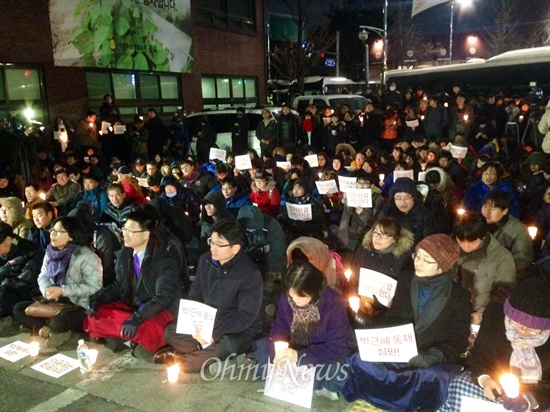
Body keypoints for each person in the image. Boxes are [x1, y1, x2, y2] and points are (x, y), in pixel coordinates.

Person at [342, 234, 472, 411]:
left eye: (426, 260)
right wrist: (379, 337)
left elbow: (459, 341)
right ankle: (377, 400)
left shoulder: (459, 297)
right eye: (417, 256)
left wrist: (433, 355)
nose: (418, 262)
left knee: (431, 377)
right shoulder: (407, 279)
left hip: (430, 356)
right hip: (400, 349)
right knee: (360, 359)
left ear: (442, 266)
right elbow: (393, 316)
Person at [155, 219, 263, 373]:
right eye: (211, 242)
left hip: (235, 329)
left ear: (235, 248)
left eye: (219, 244)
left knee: (228, 345)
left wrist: (214, 334)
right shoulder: (205, 260)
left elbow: (244, 317)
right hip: (206, 322)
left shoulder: (250, 274)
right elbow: (196, 292)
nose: (213, 248)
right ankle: (203, 354)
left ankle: (185, 360)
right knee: (169, 332)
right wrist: (192, 321)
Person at [438, 275, 550, 411]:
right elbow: (479, 354)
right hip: (495, 385)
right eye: (516, 324)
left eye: (533, 331)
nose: (522, 331)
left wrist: (529, 400)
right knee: (458, 385)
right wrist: (484, 379)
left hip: (536, 398)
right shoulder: (495, 316)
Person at [246, 261, 355, 400]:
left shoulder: (333, 301)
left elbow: (336, 346)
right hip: (296, 345)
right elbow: (280, 326)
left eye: (301, 296)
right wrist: (278, 351)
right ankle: (316, 385)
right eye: (292, 295)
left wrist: (299, 356)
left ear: (315, 291)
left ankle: (317, 384)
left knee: (340, 370)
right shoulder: (286, 298)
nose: (295, 300)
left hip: (325, 352)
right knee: (264, 350)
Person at [84, 207, 180, 358]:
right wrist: (98, 298)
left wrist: (137, 318)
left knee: (148, 326)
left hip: (157, 309)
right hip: (133, 306)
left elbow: (164, 297)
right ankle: (132, 341)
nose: (124, 234)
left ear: (146, 234)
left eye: (130, 231)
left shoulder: (164, 260)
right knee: (98, 312)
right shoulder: (124, 255)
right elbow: (118, 286)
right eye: (124, 229)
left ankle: (130, 341)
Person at [13, 216, 103, 347]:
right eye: (52, 230)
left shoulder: (87, 256)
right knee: (18, 308)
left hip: (79, 304)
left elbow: (94, 287)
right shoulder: (51, 252)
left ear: (71, 236)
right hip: (56, 301)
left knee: (60, 320)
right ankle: (45, 330)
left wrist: (63, 290)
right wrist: (46, 290)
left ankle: (42, 326)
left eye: (59, 231)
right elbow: (42, 275)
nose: (53, 234)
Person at [454, 211, 516, 326]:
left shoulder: (501, 257)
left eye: (473, 242)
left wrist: (483, 313)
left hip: (479, 315)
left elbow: (506, 290)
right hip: (452, 311)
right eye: (461, 241)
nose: (466, 247)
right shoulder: (450, 248)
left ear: (482, 236)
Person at [349, 217, 415, 323]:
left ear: (395, 239)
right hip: (360, 307)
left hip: (389, 313)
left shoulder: (404, 258)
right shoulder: (364, 250)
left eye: (384, 235)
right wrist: (356, 300)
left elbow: (404, 292)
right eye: (375, 233)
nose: (378, 238)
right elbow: (354, 278)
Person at [482, 190, 534, 280]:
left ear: (504, 211)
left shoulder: (517, 229)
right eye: (485, 206)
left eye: (492, 208)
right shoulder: (478, 222)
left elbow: (523, 257)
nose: (487, 212)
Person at [0, 222, 43, 330]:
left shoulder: (31, 251)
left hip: (27, 293)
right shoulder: (3, 253)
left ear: (8, 240)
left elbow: (27, 281)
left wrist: (4, 283)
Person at [378, 177, 438, 245]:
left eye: (407, 198)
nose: (403, 202)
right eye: (398, 198)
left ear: (414, 198)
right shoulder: (387, 212)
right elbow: (378, 234)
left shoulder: (426, 215)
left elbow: (429, 242)